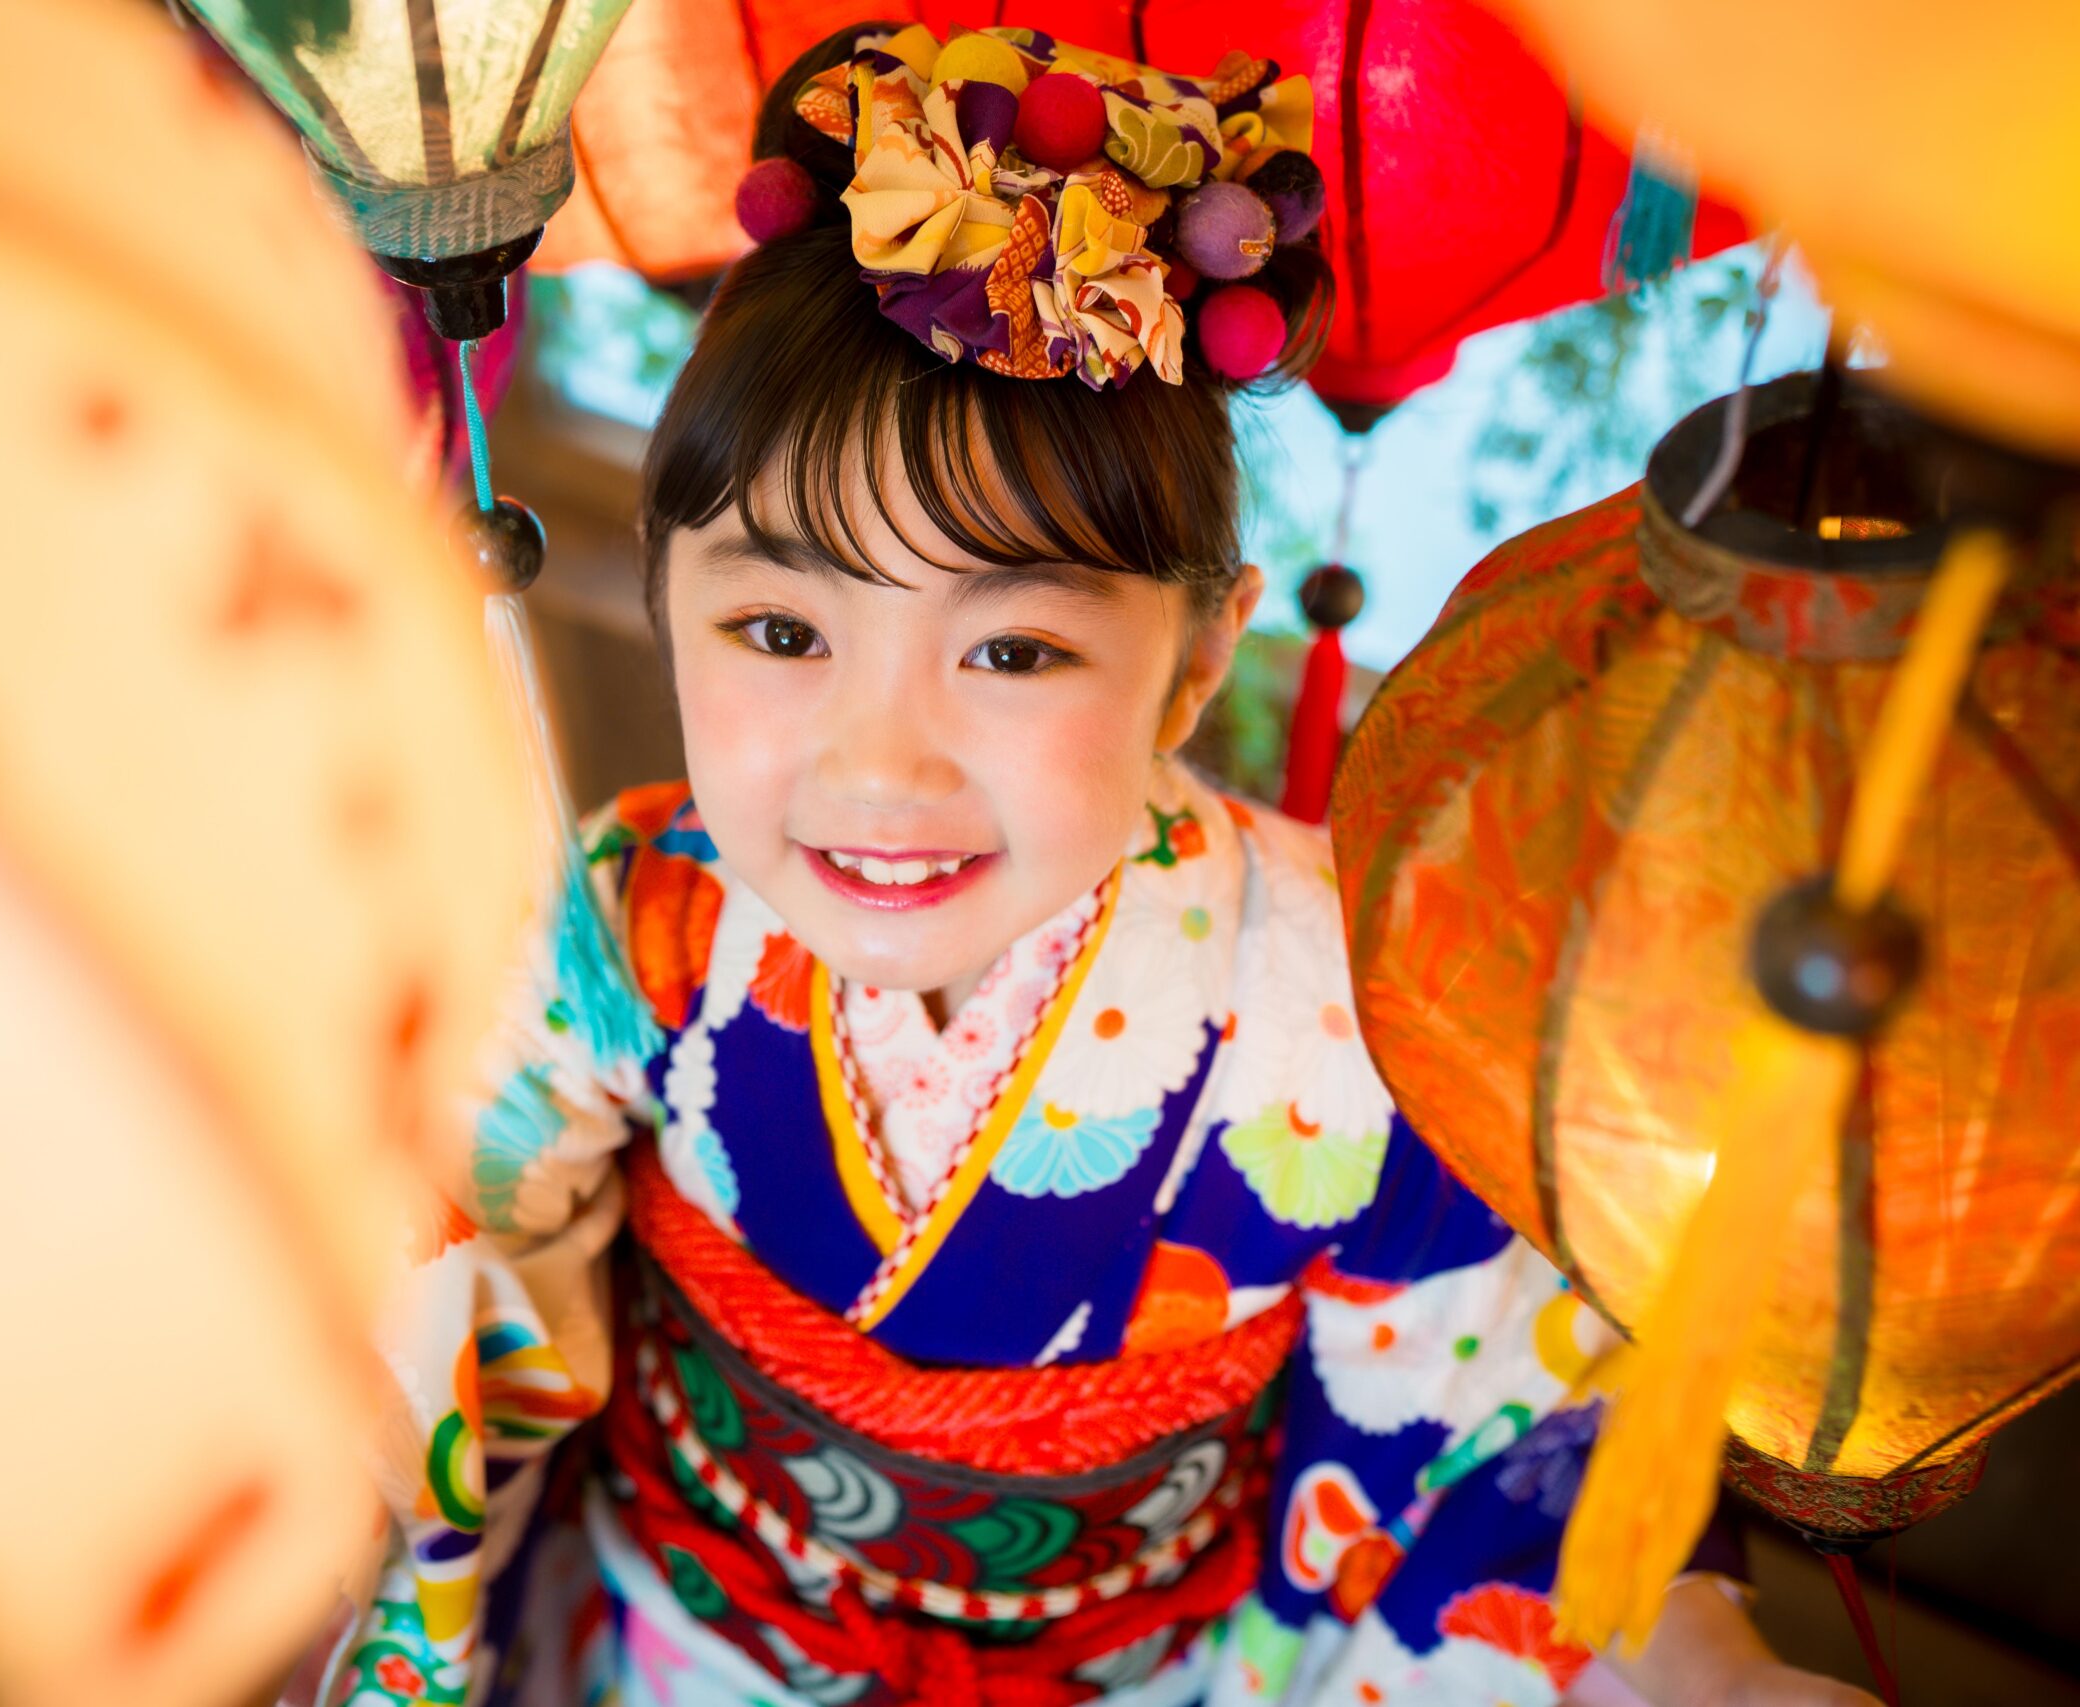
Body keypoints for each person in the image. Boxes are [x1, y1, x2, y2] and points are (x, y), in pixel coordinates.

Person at [335, 23, 1878, 1707]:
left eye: (1012, 653)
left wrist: (1714, 1669)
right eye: (779, 630)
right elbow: (418, 1241)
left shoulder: (1358, 1003)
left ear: (1199, 658)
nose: (880, 766)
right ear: (664, 594)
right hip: (681, 1662)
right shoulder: (637, 924)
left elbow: (1493, 1439)